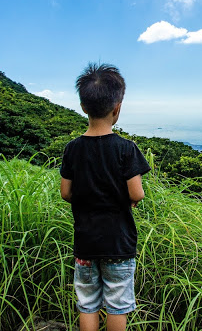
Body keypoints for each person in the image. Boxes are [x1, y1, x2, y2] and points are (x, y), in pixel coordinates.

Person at [59, 63, 151, 331]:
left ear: (83, 106)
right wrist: (128, 198)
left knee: (87, 303)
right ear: (117, 108)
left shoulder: (72, 149)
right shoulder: (126, 149)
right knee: (117, 304)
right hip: (119, 244)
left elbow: (66, 192)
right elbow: (137, 193)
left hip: (85, 243)